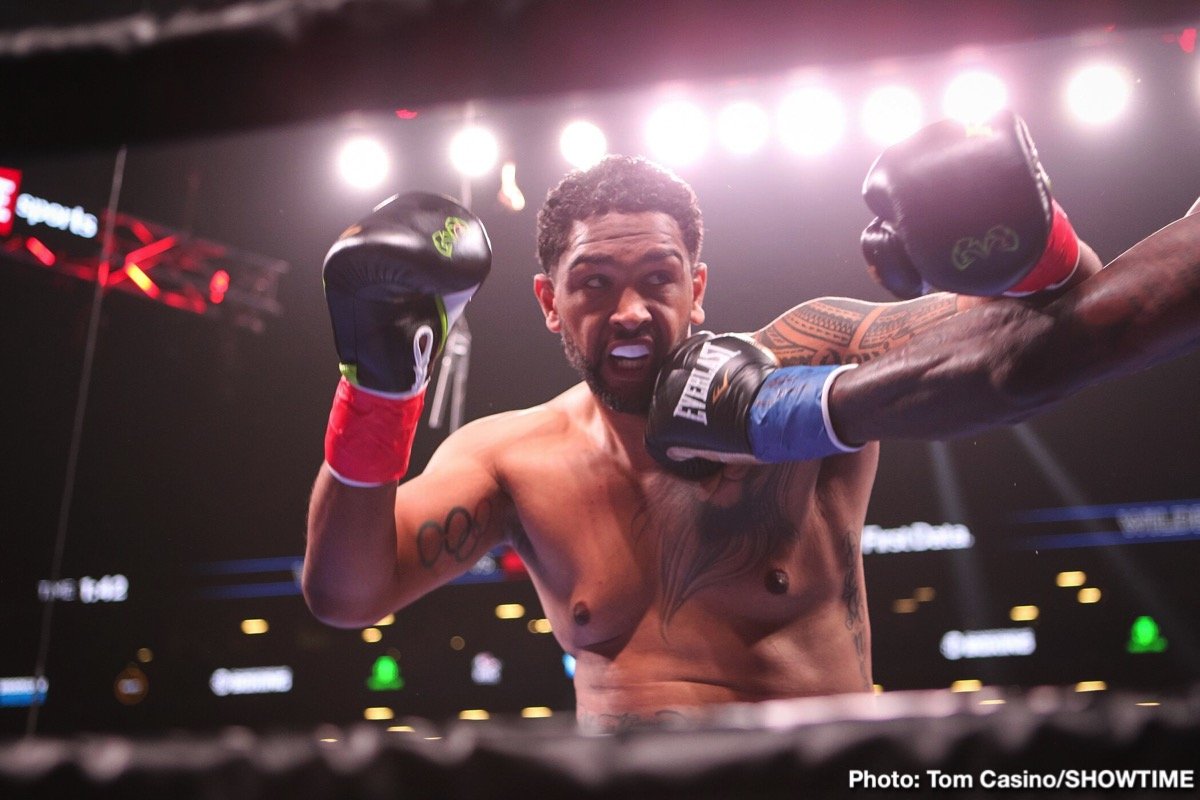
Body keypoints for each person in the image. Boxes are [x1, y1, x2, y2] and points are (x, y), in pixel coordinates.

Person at [303, 111, 1200, 732]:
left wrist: (1020, 245)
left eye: (657, 278)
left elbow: (1043, 337)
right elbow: (346, 594)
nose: (627, 312)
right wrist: (378, 393)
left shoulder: (808, 353)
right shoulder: (509, 456)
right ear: (548, 301)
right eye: (593, 285)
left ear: (698, 284)